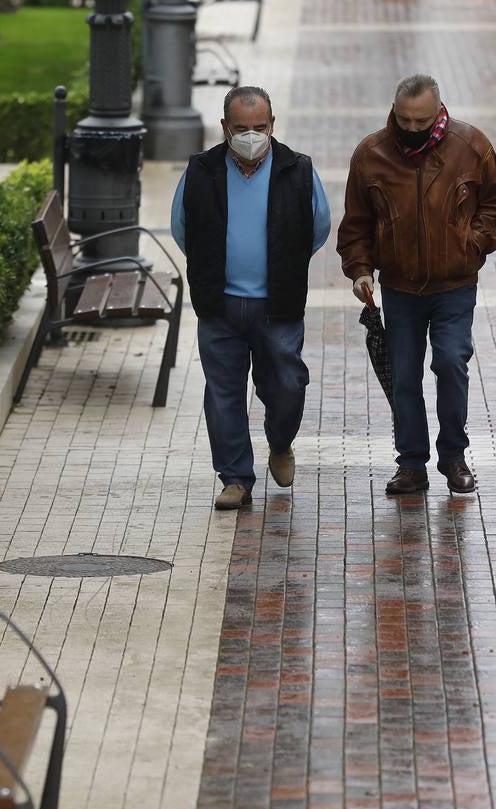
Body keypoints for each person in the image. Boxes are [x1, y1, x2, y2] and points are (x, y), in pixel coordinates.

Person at [337, 74, 496, 495]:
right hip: (399, 288)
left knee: (451, 363)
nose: (412, 129)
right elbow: (356, 223)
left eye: (422, 121)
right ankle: (411, 464)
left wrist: (471, 245)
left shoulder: (471, 146)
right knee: (404, 375)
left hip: (454, 284)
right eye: (405, 120)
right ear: (394, 112)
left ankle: (453, 457)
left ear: (439, 111)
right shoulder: (371, 153)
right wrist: (360, 270)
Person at [171, 86, 331, 510]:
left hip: (277, 305)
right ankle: (235, 478)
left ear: (272, 125)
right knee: (223, 392)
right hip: (219, 305)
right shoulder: (202, 171)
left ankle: (280, 442)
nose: (250, 135)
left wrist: (282, 263)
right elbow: (181, 228)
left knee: (287, 385)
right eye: (240, 128)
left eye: (259, 127)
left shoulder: (297, 170)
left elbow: (318, 229)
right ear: (225, 128)